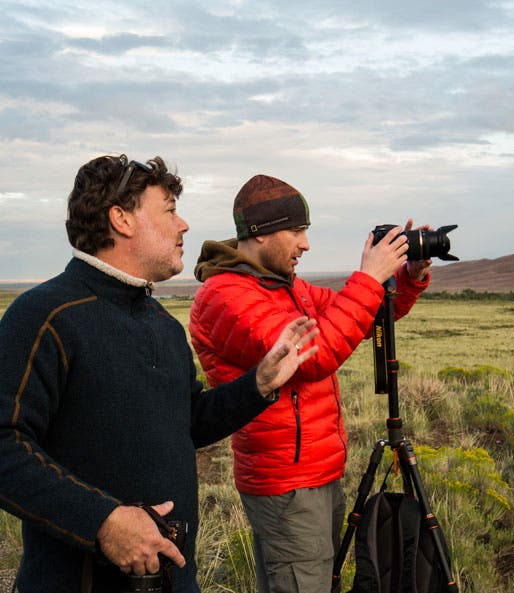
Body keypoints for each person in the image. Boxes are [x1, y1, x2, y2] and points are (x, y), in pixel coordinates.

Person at [0, 155, 320, 593]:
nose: (184, 225)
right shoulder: (45, 315)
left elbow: (186, 421)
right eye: (169, 209)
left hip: (173, 579)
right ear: (121, 219)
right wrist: (104, 523)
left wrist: (258, 385)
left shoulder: (161, 323)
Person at [188, 174, 431, 593]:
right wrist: (368, 277)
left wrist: (404, 277)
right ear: (262, 234)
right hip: (286, 483)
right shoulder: (226, 296)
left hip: (316, 473)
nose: (306, 244)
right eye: (297, 231)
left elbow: (363, 314)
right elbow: (315, 358)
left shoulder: (286, 289)